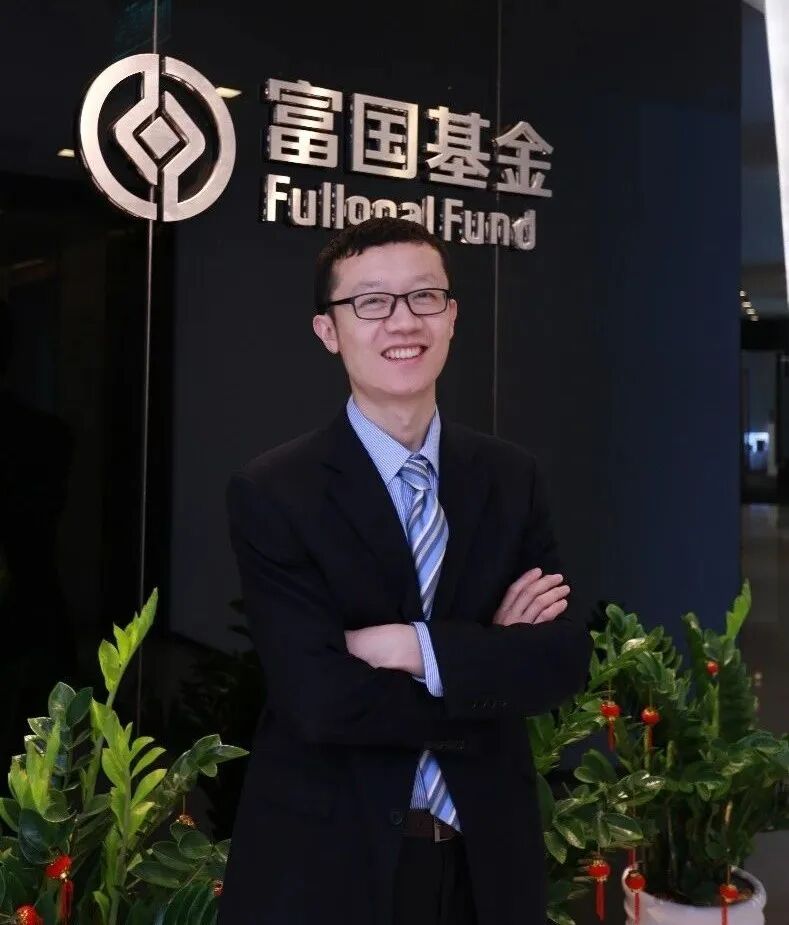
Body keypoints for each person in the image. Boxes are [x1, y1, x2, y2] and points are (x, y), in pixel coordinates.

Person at [220, 217, 592, 925]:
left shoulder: (510, 477)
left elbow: (560, 660)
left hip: (486, 859)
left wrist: (410, 648)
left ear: (451, 316)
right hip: (333, 858)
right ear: (328, 331)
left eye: (424, 296)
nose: (402, 321)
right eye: (371, 302)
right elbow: (318, 698)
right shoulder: (275, 491)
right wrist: (485, 662)